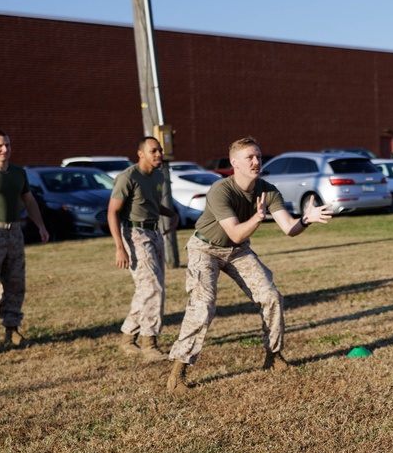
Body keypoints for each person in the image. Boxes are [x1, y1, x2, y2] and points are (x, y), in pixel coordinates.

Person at [166, 137, 332, 394]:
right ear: (234, 163)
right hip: (205, 248)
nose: (256, 162)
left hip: (237, 251)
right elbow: (234, 233)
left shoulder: (268, 190)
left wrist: (306, 220)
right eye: (249, 158)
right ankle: (178, 372)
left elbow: (289, 228)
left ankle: (274, 357)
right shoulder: (220, 190)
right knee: (203, 304)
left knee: (271, 296)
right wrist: (257, 217)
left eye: (258, 156)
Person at [107, 136, 179, 362]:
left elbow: (153, 204)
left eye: (160, 150)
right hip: (134, 234)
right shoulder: (128, 177)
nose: (158, 154)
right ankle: (149, 343)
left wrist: (172, 213)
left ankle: (128, 338)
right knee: (153, 288)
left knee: (146, 289)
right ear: (141, 154)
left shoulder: (158, 175)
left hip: (153, 233)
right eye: (153, 151)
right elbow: (112, 212)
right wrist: (120, 247)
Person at [0, 130, 49, 353]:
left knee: (15, 283)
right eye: (0, 146)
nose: (5, 150)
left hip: (14, 234)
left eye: (8, 145)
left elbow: (28, 201)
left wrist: (40, 225)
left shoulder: (19, 173)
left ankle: (12, 329)